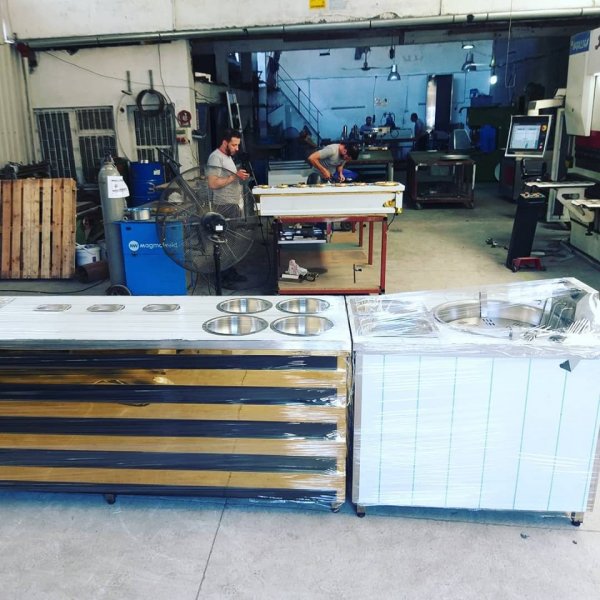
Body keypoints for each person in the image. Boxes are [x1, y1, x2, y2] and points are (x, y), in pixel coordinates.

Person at [206, 128, 250, 285]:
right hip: (223, 206)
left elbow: (229, 178)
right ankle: (223, 277)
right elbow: (212, 183)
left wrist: (239, 177)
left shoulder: (228, 157)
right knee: (224, 242)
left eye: (238, 145)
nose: (236, 148)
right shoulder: (215, 157)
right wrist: (234, 176)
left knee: (231, 241)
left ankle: (230, 271)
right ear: (225, 142)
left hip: (232, 204)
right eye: (234, 145)